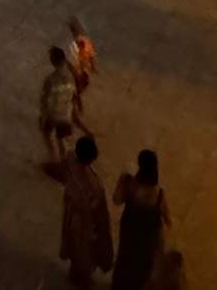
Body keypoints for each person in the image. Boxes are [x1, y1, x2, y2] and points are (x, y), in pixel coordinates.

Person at [112, 150, 171, 290]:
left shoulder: (130, 184)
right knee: (143, 270)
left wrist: (121, 181)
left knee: (125, 263)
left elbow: (116, 200)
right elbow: (167, 219)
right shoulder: (159, 193)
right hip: (147, 241)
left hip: (129, 234)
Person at [59, 136, 113, 287]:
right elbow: (93, 207)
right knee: (84, 249)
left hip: (71, 213)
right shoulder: (91, 184)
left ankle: (74, 272)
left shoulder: (70, 159)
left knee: (74, 245)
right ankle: (82, 278)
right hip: (84, 221)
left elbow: (64, 162)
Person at [40, 46, 79, 165]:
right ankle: (63, 160)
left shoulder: (50, 79)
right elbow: (74, 95)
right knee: (60, 138)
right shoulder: (70, 77)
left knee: (47, 134)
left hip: (53, 115)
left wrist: (43, 116)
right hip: (66, 115)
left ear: (53, 61)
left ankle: (53, 157)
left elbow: (45, 100)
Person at [67, 16, 98, 108]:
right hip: (81, 73)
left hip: (80, 73)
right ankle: (76, 105)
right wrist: (93, 67)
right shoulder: (84, 43)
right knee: (76, 92)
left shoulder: (77, 45)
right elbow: (91, 57)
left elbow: (88, 58)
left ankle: (76, 105)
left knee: (76, 92)